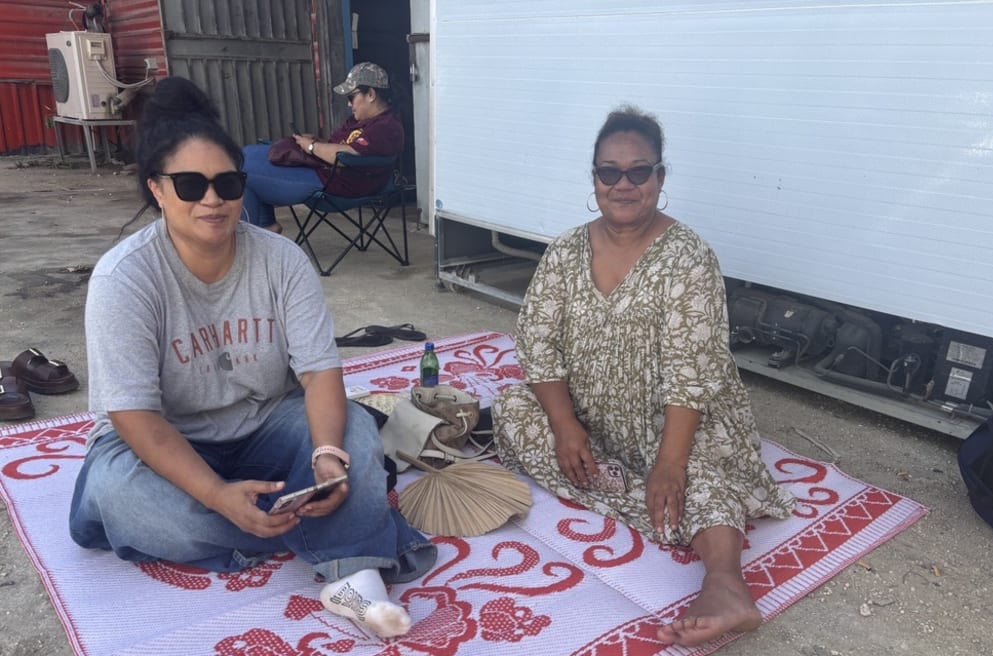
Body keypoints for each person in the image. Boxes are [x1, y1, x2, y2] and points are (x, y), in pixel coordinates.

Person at [69, 76, 434, 640]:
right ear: (157, 190)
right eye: (190, 185)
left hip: (265, 420)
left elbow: (318, 373)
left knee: (356, 433)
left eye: (227, 182)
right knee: (126, 497)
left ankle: (334, 549)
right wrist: (216, 495)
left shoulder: (282, 260)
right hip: (165, 438)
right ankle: (345, 544)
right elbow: (135, 418)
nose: (212, 199)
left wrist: (330, 455)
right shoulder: (125, 279)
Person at [492, 106, 796, 647]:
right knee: (513, 412)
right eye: (609, 172)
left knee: (695, 475)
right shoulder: (565, 251)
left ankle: (725, 582)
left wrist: (670, 464)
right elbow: (537, 344)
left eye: (639, 171)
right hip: (590, 417)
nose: (623, 184)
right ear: (594, 179)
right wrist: (564, 425)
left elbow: (690, 373)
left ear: (660, 177)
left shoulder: (688, 258)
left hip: (675, 423)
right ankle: (658, 501)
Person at [240, 62, 405, 233]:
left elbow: (347, 155)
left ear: (370, 94)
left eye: (351, 97)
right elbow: (344, 145)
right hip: (323, 170)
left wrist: (311, 146)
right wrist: (318, 141)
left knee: (239, 172)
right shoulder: (360, 121)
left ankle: (253, 237)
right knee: (245, 155)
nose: (349, 105)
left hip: (335, 185)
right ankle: (265, 227)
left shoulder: (386, 127)